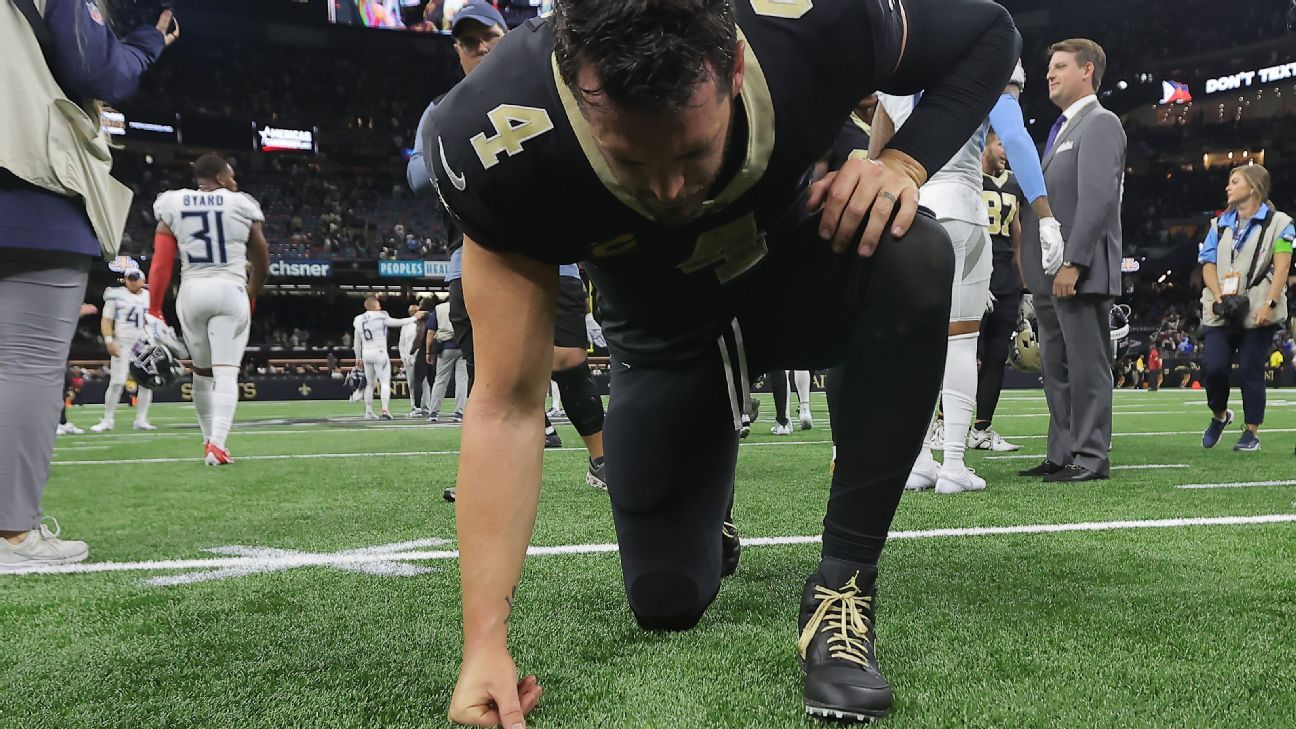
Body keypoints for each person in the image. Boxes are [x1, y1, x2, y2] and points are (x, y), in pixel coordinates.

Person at [427, 0, 1019, 723]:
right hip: (668, 341)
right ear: (573, 87)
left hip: (795, 276)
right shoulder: (496, 127)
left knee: (911, 247)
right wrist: (484, 641)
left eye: (690, 150)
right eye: (631, 157)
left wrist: (901, 160)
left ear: (734, 66)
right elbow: (508, 403)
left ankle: (843, 588)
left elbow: (991, 31)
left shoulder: (810, 20)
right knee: (666, 601)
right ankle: (712, 472)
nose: (670, 188)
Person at [1, 0, 176, 569]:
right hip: (27, 188)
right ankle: (12, 533)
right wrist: (150, 41)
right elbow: (99, 71)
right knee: (26, 362)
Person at [1017, 38, 1126, 483]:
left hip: (1078, 271)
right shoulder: (1062, 128)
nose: (1049, 73)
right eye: (1049, 67)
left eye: (1060, 65)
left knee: (1086, 365)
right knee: (1055, 368)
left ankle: (1091, 455)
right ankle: (1062, 451)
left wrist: (1075, 262)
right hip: (1051, 271)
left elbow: (1098, 199)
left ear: (1087, 71)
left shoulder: (1101, 122)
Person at [148, 154, 269, 466]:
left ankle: (207, 440)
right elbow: (261, 254)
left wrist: (154, 308)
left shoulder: (172, 202)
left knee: (202, 373)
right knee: (227, 371)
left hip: (192, 290)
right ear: (218, 177)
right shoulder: (241, 203)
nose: (234, 182)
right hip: (229, 288)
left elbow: (161, 262)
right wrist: (252, 292)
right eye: (230, 176)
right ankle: (218, 444)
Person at [1198, 164, 1294, 452]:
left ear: (1252, 187)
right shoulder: (1220, 224)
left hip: (1258, 307)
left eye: (1234, 181)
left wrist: (1270, 303)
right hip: (1223, 306)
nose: (1228, 187)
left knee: (1252, 369)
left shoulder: (1281, 223)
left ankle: (1251, 431)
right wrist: (1217, 296)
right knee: (1212, 367)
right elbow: (1208, 264)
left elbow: (1282, 267)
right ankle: (1221, 415)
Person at [970, 131, 1024, 451]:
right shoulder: (968, 176)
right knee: (963, 353)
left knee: (996, 355)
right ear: (986, 142)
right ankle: (943, 421)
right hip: (974, 272)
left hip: (1005, 277)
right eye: (1001, 144)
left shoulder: (1014, 183)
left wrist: (1023, 282)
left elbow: (1017, 232)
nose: (1005, 152)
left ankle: (982, 428)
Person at [91, 265, 156, 431]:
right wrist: (108, 340)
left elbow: (155, 320)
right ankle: (108, 419)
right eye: (130, 279)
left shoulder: (149, 296)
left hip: (143, 344)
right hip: (123, 342)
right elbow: (106, 320)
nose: (132, 283)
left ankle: (141, 419)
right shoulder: (116, 295)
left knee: (146, 383)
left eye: (135, 279)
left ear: (143, 280)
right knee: (117, 382)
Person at [353, 296, 425, 420]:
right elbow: (398, 322)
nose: (380, 306)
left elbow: (356, 341)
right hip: (379, 352)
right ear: (374, 306)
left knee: (370, 383)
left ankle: (368, 411)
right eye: (378, 304)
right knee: (385, 382)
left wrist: (358, 357)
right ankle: (385, 409)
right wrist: (414, 317)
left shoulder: (358, 319)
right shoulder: (380, 317)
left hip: (366, 352)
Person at [426, 296, 468, 422]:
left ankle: (433, 412)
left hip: (445, 347)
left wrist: (428, 351)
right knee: (462, 380)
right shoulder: (466, 307)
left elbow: (430, 332)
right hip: (463, 346)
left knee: (440, 380)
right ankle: (459, 413)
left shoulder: (439, 308)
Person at [399, 303, 425, 416]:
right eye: (412, 311)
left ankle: (425, 406)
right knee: (411, 383)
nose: (413, 313)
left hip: (421, 357)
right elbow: (401, 344)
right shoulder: (405, 326)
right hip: (409, 358)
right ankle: (414, 405)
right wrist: (403, 357)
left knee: (424, 383)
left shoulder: (424, 324)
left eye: (415, 311)